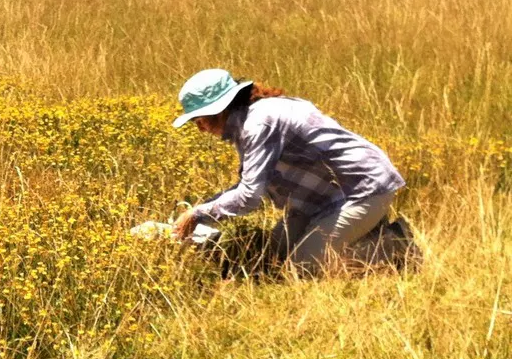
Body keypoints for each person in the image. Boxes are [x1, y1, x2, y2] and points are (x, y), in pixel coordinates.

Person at [170, 68, 412, 275]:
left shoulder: (259, 124)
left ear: (220, 109)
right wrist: (198, 211)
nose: (200, 129)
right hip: (322, 198)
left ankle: (395, 245)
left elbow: (250, 196)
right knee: (276, 256)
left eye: (200, 120)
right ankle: (364, 234)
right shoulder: (251, 120)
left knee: (302, 268)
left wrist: (197, 214)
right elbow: (249, 183)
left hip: (363, 189)